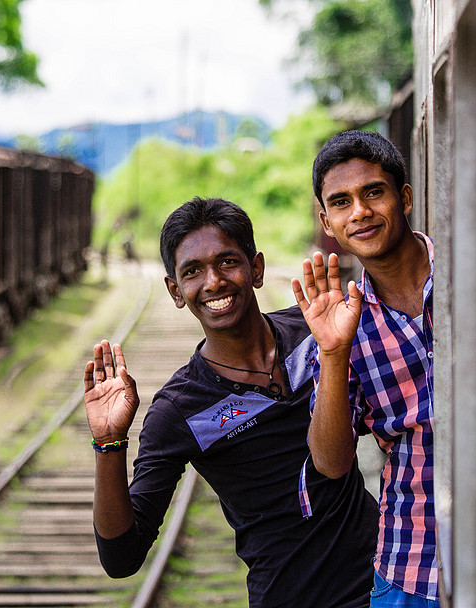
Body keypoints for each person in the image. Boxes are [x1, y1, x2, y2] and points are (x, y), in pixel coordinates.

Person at [83, 197, 379, 607]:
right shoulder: (180, 409)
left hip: (387, 581)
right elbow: (121, 558)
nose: (213, 282)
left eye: (226, 262)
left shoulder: (316, 332)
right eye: (192, 271)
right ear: (175, 291)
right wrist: (109, 442)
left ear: (255, 269)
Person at [292, 131, 439, 607]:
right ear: (327, 222)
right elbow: (331, 463)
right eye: (341, 202)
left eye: (373, 192)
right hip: (413, 565)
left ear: (406, 198)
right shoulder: (342, 320)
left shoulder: (475, 268)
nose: (360, 212)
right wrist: (334, 353)